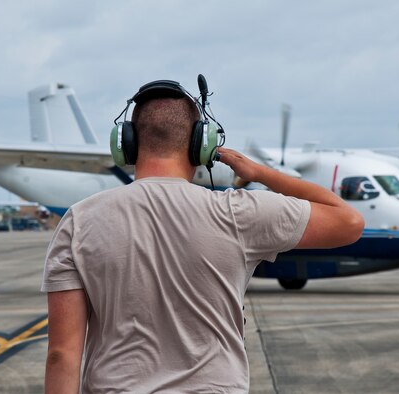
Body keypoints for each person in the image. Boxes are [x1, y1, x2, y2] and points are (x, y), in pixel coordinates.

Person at [41, 79, 364, 393]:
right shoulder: (237, 212)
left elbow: (62, 354)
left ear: (126, 144)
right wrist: (261, 173)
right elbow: (349, 222)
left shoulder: (79, 220)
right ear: (202, 146)